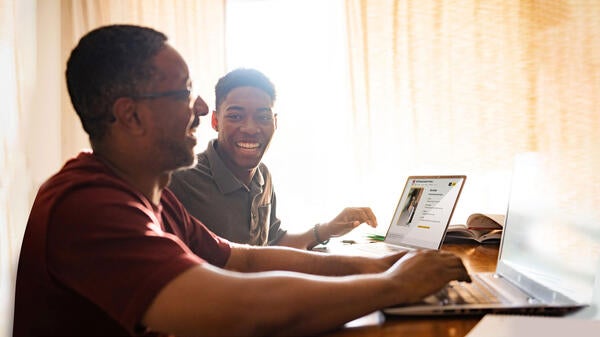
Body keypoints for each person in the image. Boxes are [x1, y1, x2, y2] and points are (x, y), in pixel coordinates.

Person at [13, 24, 470, 337]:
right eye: (184, 94)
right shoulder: (86, 206)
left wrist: (380, 267)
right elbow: (243, 307)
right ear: (129, 115)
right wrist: (394, 287)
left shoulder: (151, 198)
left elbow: (248, 260)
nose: (197, 110)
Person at [168, 68, 376, 249]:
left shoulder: (262, 176)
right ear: (215, 121)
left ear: (275, 123)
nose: (250, 128)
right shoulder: (181, 179)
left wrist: (328, 230)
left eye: (263, 117)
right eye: (235, 116)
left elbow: (274, 243)